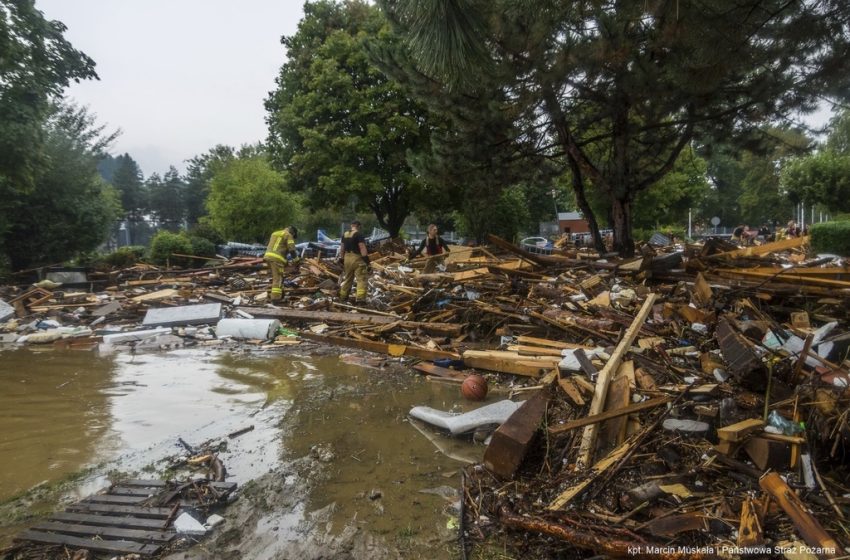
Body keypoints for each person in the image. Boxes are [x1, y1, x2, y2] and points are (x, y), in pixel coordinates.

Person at [263, 226, 299, 303]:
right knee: (278, 278)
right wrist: (296, 260)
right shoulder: (288, 235)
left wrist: (285, 262)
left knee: (279, 276)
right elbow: (292, 250)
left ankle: (281, 295)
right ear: (293, 232)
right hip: (277, 259)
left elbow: (277, 247)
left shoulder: (275, 233)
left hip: (268, 257)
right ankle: (276, 299)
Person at [339, 220, 370, 304]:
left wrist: (341, 259)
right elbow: (362, 247)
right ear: (359, 226)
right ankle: (360, 300)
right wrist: (367, 260)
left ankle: (343, 297)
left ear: (351, 225)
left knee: (348, 279)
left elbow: (342, 248)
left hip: (347, 258)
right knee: (361, 279)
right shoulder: (359, 234)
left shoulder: (344, 234)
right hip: (357, 259)